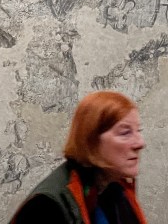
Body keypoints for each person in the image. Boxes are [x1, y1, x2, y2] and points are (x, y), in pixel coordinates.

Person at [11, 90, 148, 224]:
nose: (140, 143)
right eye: (125, 133)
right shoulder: (46, 208)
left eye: (138, 130)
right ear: (91, 141)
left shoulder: (116, 189)